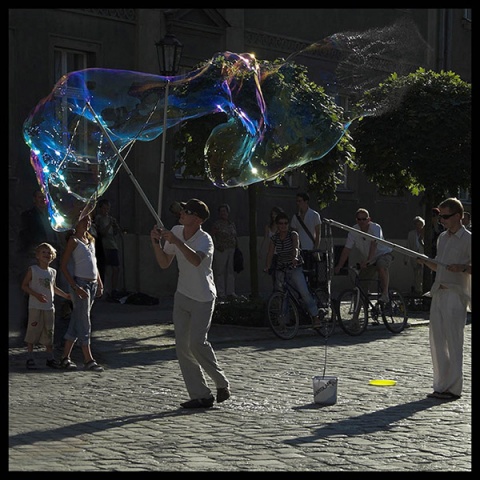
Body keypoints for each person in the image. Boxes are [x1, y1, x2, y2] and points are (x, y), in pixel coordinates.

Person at [150, 198, 231, 409]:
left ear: (197, 219)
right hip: (183, 295)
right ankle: (200, 395)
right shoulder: (177, 230)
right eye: (182, 210)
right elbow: (164, 263)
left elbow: (196, 261)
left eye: (186, 211)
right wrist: (156, 243)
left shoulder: (206, 240)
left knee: (197, 343)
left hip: (203, 297)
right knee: (182, 348)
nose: (181, 213)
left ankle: (221, 383)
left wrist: (177, 242)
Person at [418, 198, 471, 400]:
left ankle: (453, 388)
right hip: (439, 292)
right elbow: (439, 266)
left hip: (455, 294)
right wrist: (425, 262)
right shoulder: (442, 238)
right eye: (440, 217)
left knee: (453, 341)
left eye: (446, 216)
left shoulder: (468, 239)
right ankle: (440, 385)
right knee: (437, 341)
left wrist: (463, 268)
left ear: (459, 216)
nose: (442, 220)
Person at [60, 214, 104, 372]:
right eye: (85, 220)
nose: (88, 223)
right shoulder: (74, 241)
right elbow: (64, 266)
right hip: (81, 284)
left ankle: (65, 357)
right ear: (77, 223)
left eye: (90, 220)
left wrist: (99, 282)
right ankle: (88, 358)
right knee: (84, 321)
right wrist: (74, 286)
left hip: (91, 284)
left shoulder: (91, 240)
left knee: (77, 319)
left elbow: (94, 262)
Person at [264, 212, 321, 326]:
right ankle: (283, 322)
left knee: (304, 292)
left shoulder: (293, 234)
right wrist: (268, 265)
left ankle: (315, 316)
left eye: (285, 223)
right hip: (281, 268)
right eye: (281, 223)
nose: (283, 226)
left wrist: (295, 257)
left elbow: (296, 247)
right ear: (277, 225)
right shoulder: (274, 238)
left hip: (294, 267)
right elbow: (270, 253)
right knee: (282, 295)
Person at [21, 242, 71, 369]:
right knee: (32, 331)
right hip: (35, 307)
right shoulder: (33, 270)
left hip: (48, 307)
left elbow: (53, 288)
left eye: (49, 253)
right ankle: (30, 357)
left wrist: (65, 295)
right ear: (37, 255)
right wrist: (36, 295)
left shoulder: (52, 272)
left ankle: (50, 357)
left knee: (49, 332)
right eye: (43, 252)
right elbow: (24, 285)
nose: (46, 255)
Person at [334, 208, 394, 303]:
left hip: (383, 253)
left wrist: (368, 261)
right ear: (356, 220)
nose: (361, 221)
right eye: (359, 219)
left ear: (369, 219)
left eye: (364, 219)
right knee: (362, 283)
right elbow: (347, 249)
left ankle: (385, 293)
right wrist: (339, 265)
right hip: (369, 258)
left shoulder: (375, 228)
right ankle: (359, 310)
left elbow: (374, 245)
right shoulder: (353, 230)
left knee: (381, 265)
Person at [290, 192, 322, 284]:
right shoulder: (296, 217)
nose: (298, 203)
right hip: (300, 250)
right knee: (301, 275)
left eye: (300, 201)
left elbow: (318, 233)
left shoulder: (314, 215)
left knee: (311, 275)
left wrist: (315, 249)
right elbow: (294, 233)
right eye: (297, 201)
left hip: (310, 249)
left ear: (306, 201)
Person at [94, 198, 122, 297]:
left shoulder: (110, 219)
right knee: (104, 268)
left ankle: (114, 289)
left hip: (112, 245)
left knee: (116, 268)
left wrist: (115, 226)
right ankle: (102, 289)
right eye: (104, 208)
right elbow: (102, 233)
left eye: (108, 209)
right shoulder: (99, 218)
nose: (106, 211)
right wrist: (110, 224)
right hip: (104, 245)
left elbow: (115, 233)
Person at [211, 203, 238, 300]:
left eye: (225, 211)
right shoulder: (217, 224)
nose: (223, 213)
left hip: (231, 249)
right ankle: (221, 292)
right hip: (221, 249)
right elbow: (212, 235)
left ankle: (231, 292)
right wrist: (217, 245)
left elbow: (234, 235)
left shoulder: (231, 223)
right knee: (220, 271)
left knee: (230, 271)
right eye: (221, 211)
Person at [405, 216, 425, 294]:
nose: (418, 226)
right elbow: (408, 246)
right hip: (414, 257)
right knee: (416, 274)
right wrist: (406, 259)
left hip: (423, 256)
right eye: (416, 224)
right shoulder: (411, 234)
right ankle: (418, 290)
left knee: (423, 274)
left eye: (420, 224)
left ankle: (422, 289)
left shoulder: (426, 232)